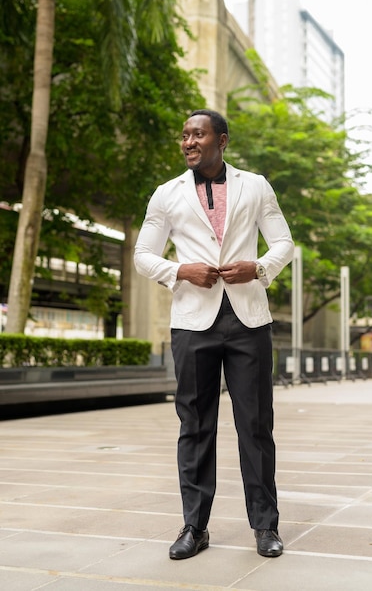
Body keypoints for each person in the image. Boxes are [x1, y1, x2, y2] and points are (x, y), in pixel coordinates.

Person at [134, 109, 294, 560]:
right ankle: (194, 527)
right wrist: (179, 269)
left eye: (198, 135)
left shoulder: (256, 185)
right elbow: (143, 254)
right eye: (184, 135)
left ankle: (266, 526)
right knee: (195, 426)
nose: (188, 142)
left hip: (248, 320)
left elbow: (283, 242)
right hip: (192, 321)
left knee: (256, 427)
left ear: (221, 141)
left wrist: (259, 267)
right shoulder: (166, 194)